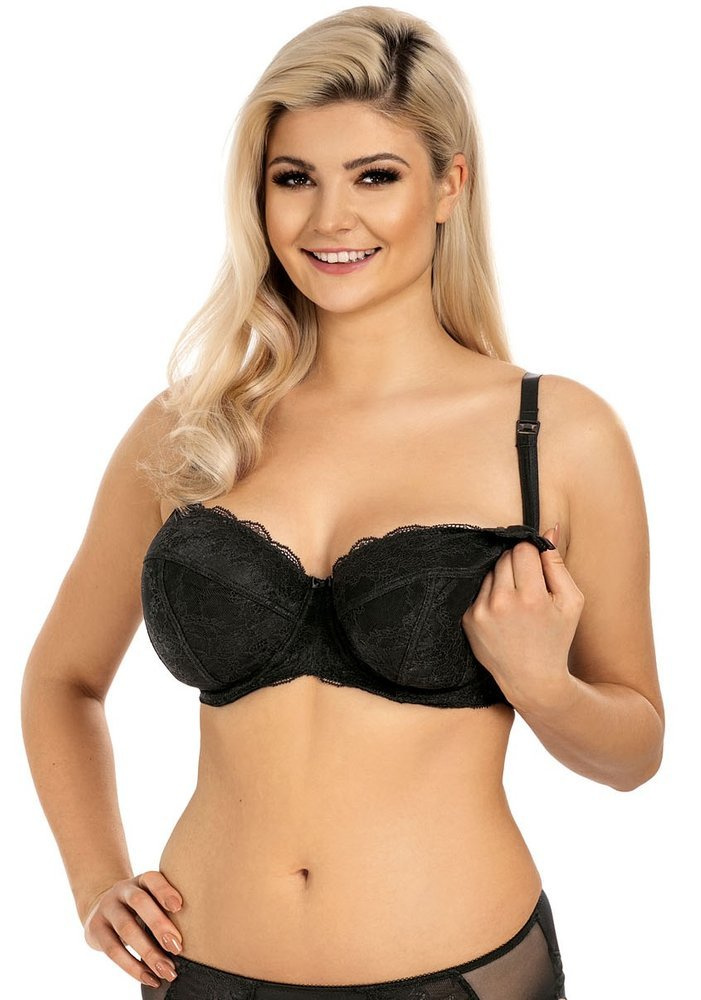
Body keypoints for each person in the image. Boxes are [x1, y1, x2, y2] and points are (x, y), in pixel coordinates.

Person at [20, 6, 665, 999]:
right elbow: (62, 679)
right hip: (199, 972)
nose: (329, 220)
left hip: (459, 974)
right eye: (294, 179)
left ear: (448, 185)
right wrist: (94, 878)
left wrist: (543, 686)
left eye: (374, 176)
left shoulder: (553, 434)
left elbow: (635, 751)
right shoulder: (189, 430)